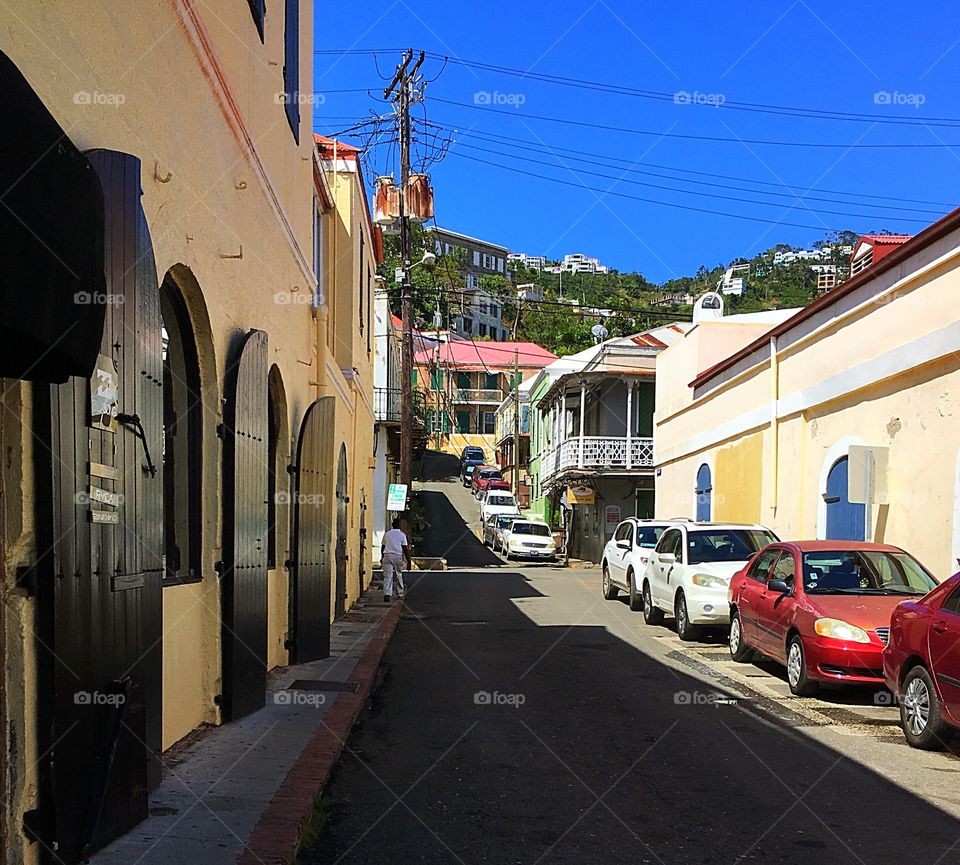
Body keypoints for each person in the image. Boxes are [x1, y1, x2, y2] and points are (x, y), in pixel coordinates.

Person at [381, 517, 412, 602]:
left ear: (392, 525)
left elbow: (383, 546)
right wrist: (408, 561)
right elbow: (405, 549)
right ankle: (400, 593)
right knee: (398, 574)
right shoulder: (402, 535)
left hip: (387, 555)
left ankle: (387, 593)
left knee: (387, 575)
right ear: (399, 525)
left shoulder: (387, 534)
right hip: (397, 555)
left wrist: (382, 557)